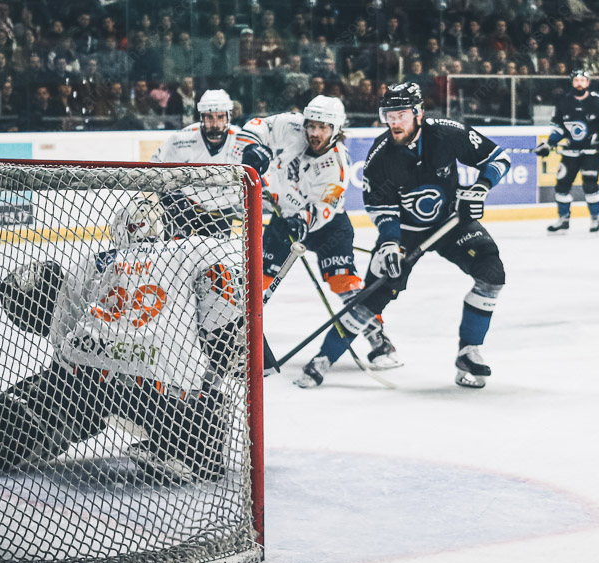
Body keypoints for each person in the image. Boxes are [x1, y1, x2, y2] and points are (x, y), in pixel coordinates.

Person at [0, 198, 245, 483]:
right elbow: (224, 303)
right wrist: (232, 348)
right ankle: (186, 451)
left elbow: (60, 333)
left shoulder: (95, 262)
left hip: (91, 380)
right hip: (163, 389)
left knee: (59, 391)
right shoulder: (196, 250)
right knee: (207, 404)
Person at [335, 82, 511, 389]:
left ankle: (469, 351)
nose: (394, 121)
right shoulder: (381, 153)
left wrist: (481, 187)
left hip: (450, 224)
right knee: (375, 294)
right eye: (389, 114)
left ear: (419, 113)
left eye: (402, 114)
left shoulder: (446, 133)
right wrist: (390, 242)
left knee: (491, 274)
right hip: (405, 233)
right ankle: (330, 356)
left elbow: (498, 158)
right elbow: (380, 207)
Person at [238, 95, 398, 386]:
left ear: (335, 129)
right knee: (257, 281)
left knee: (343, 282)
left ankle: (377, 336)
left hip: (328, 228)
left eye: (322, 127)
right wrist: (252, 147)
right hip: (283, 220)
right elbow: (258, 125)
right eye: (311, 125)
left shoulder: (337, 163)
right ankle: (238, 340)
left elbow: (324, 208)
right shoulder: (291, 126)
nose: (314, 132)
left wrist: (303, 220)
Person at [150, 89, 259, 236]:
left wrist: (237, 201)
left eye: (220, 117)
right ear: (201, 117)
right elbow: (157, 166)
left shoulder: (241, 140)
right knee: (176, 247)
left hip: (221, 208)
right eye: (209, 117)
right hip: (186, 206)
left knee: (216, 249)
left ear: (228, 117)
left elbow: (254, 177)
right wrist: (171, 197)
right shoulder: (183, 139)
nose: (215, 124)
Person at [536, 69, 599, 233]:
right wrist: (548, 144)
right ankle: (563, 219)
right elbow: (559, 129)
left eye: (582, 80)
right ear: (572, 83)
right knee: (561, 185)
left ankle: (595, 219)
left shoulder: (597, 101)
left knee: (590, 185)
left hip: (592, 152)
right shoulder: (563, 102)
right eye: (576, 80)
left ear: (588, 83)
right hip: (570, 152)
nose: (579, 83)